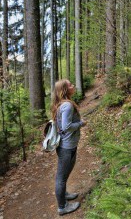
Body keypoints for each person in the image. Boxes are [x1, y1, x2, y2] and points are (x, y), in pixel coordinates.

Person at [51, 79, 87, 216]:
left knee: (63, 175)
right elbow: (66, 127)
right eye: (70, 85)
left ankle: (64, 194)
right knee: (61, 177)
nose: (73, 86)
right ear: (65, 90)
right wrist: (81, 124)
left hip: (66, 146)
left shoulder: (62, 104)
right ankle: (62, 207)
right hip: (67, 147)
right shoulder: (67, 106)